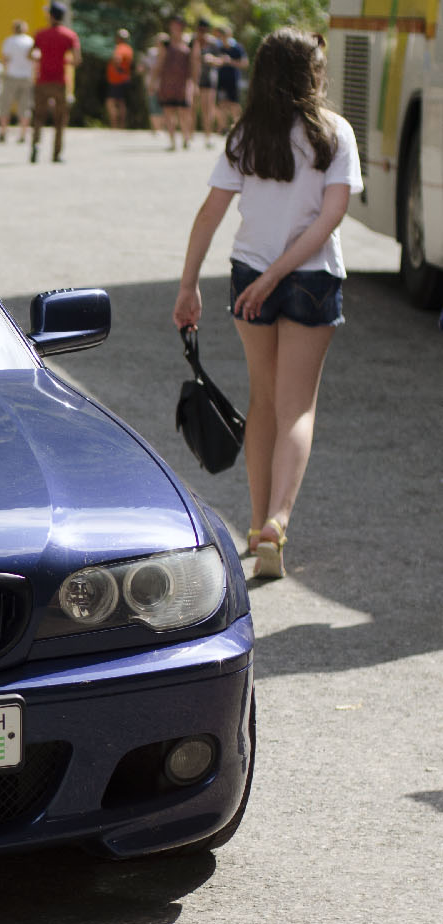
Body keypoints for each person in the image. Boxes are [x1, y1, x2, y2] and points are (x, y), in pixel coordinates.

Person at [171, 28, 362, 579]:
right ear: (313, 74)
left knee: (264, 401)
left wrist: (189, 286)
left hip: (249, 273)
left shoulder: (246, 134)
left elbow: (209, 215)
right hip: (311, 279)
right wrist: (281, 273)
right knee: (296, 406)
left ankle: (255, 528)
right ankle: (278, 521)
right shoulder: (334, 134)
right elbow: (331, 217)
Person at [29, 1, 80, 164]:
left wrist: (42, 58)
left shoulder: (40, 34)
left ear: (51, 16)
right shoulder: (69, 36)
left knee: (38, 117)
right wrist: (65, 61)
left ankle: (36, 145)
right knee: (60, 119)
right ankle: (56, 153)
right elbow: (77, 59)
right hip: (60, 82)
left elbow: (30, 54)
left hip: (42, 81)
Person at [158, 14, 197, 150]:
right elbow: (159, 62)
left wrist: (195, 82)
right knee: (168, 110)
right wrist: (153, 80)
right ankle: (172, 141)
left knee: (184, 111)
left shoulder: (190, 42)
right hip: (168, 82)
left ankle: (186, 137)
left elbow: (194, 63)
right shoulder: (165, 43)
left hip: (184, 82)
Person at [0, 19, 33, 143]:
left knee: (5, 105)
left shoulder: (9, 41)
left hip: (12, 75)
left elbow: (5, 59)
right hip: (26, 76)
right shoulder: (30, 41)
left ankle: (3, 132)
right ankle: (23, 134)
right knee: (24, 106)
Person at [215, 24, 248, 130]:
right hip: (221, 80)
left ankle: (238, 127)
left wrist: (230, 61)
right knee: (221, 104)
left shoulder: (237, 48)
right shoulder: (219, 48)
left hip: (233, 80)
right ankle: (222, 128)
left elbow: (245, 64)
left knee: (234, 104)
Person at [196, 17, 222, 147]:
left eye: (204, 30)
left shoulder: (213, 43)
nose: (202, 32)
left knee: (208, 108)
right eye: (200, 30)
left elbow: (220, 60)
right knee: (194, 107)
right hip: (195, 78)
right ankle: (188, 136)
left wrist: (212, 59)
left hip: (209, 79)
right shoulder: (193, 41)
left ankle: (208, 136)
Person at [140, 31, 168, 138]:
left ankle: (164, 128)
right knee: (154, 106)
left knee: (165, 108)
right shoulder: (151, 53)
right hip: (153, 84)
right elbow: (144, 66)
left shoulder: (170, 54)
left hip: (165, 85)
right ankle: (156, 129)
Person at [105, 28, 134, 129]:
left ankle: (114, 125)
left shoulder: (120, 48)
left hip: (116, 80)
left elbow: (117, 59)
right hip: (124, 79)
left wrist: (117, 69)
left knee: (111, 102)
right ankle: (121, 125)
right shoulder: (129, 49)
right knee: (121, 102)